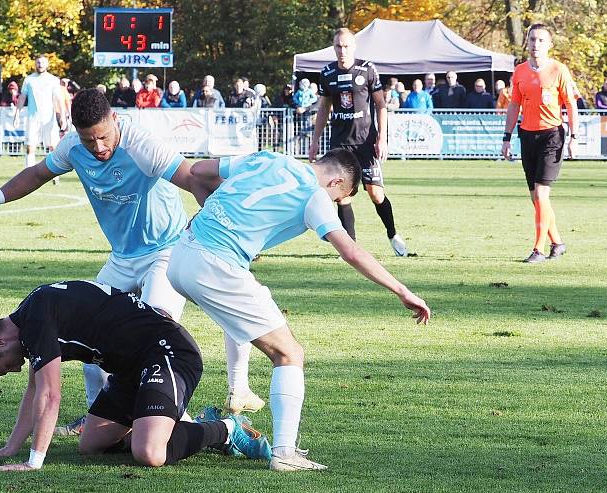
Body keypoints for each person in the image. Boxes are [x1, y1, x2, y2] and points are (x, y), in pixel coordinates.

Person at [0, 88, 259, 435]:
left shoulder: (142, 145)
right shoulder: (73, 147)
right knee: (91, 354)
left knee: (153, 334)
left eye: (102, 137)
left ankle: (183, 423)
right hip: (122, 258)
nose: (97, 148)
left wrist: (223, 228)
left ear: (115, 119)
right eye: (88, 141)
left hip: (165, 251)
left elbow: (191, 178)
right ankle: (99, 423)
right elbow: (38, 173)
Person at [167, 149, 431, 471]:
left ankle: (233, 394)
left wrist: (216, 212)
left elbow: (198, 170)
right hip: (213, 265)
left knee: (246, 307)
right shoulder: (314, 196)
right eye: (339, 198)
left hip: (180, 254)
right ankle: (285, 454)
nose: (333, 204)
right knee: (290, 353)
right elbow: (350, 250)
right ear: (336, 181)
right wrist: (403, 291)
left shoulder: (270, 158)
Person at [0, 280, 271, 471]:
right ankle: (161, 426)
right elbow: (34, 393)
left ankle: (226, 429)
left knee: (149, 453)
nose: (14, 369)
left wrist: (34, 461)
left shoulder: (36, 319)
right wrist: (9, 448)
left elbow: (50, 395)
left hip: (167, 353)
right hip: (131, 369)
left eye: (5, 367)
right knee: (91, 445)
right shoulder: (31, 316)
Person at [309, 28, 408, 257]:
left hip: (365, 142)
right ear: (334, 48)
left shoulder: (368, 69)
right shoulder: (327, 73)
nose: (342, 51)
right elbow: (324, 108)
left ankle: (392, 234)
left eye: (346, 46)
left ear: (354, 47)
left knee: (376, 194)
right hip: (340, 144)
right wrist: (315, 141)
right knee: (342, 194)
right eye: (338, 46)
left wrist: (382, 137)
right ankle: (350, 246)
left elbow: (381, 105)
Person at [501, 23, 577, 264]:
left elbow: (571, 104)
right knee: (536, 197)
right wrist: (507, 136)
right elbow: (514, 105)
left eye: (541, 40)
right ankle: (558, 242)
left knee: (542, 194)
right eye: (532, 39)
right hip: (527, 135)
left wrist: (574, 137)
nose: (536, 44)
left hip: (551, 135)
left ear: (549, 44)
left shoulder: (559, 69)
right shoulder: (520, 71)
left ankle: (538, 249)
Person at [14, 55, 64, 169]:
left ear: (47, 64)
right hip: (33, 119)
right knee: (30, 147)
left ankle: (54, 172)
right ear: (35, 64)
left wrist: (63, 117)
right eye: (38, 62)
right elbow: (22, 97)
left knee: (53, 146)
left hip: (49, 119)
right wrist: (16, 115)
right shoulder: (29, 79)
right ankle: (28, 172)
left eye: (42, 62)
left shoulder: (53, 80)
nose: (40, 65)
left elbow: (59, 99)